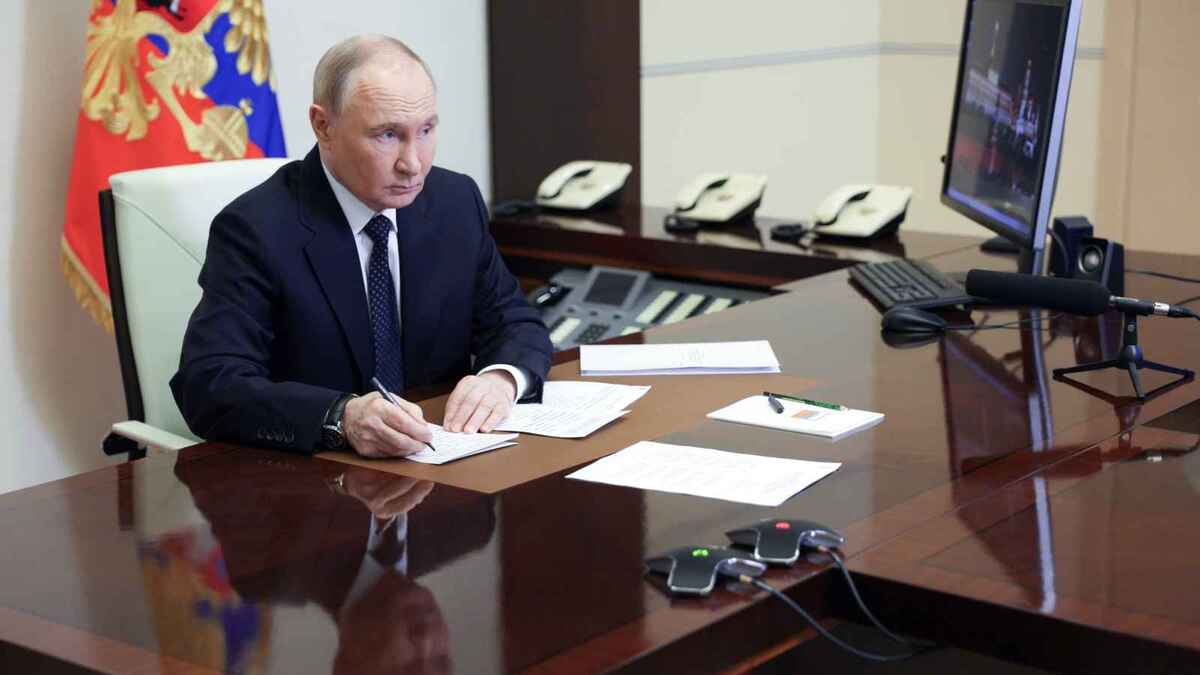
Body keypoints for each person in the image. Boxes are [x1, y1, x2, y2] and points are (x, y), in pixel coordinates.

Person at [171, 35, 551, 457]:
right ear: (323, 126)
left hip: (444, 466)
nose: (413, 164)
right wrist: (340, 416)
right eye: (387, 135)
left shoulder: (454, 202)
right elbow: (209, 383)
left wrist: (501, 378)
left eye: (426, 130)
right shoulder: (255, 229)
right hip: (318, 480)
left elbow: (515, 321)